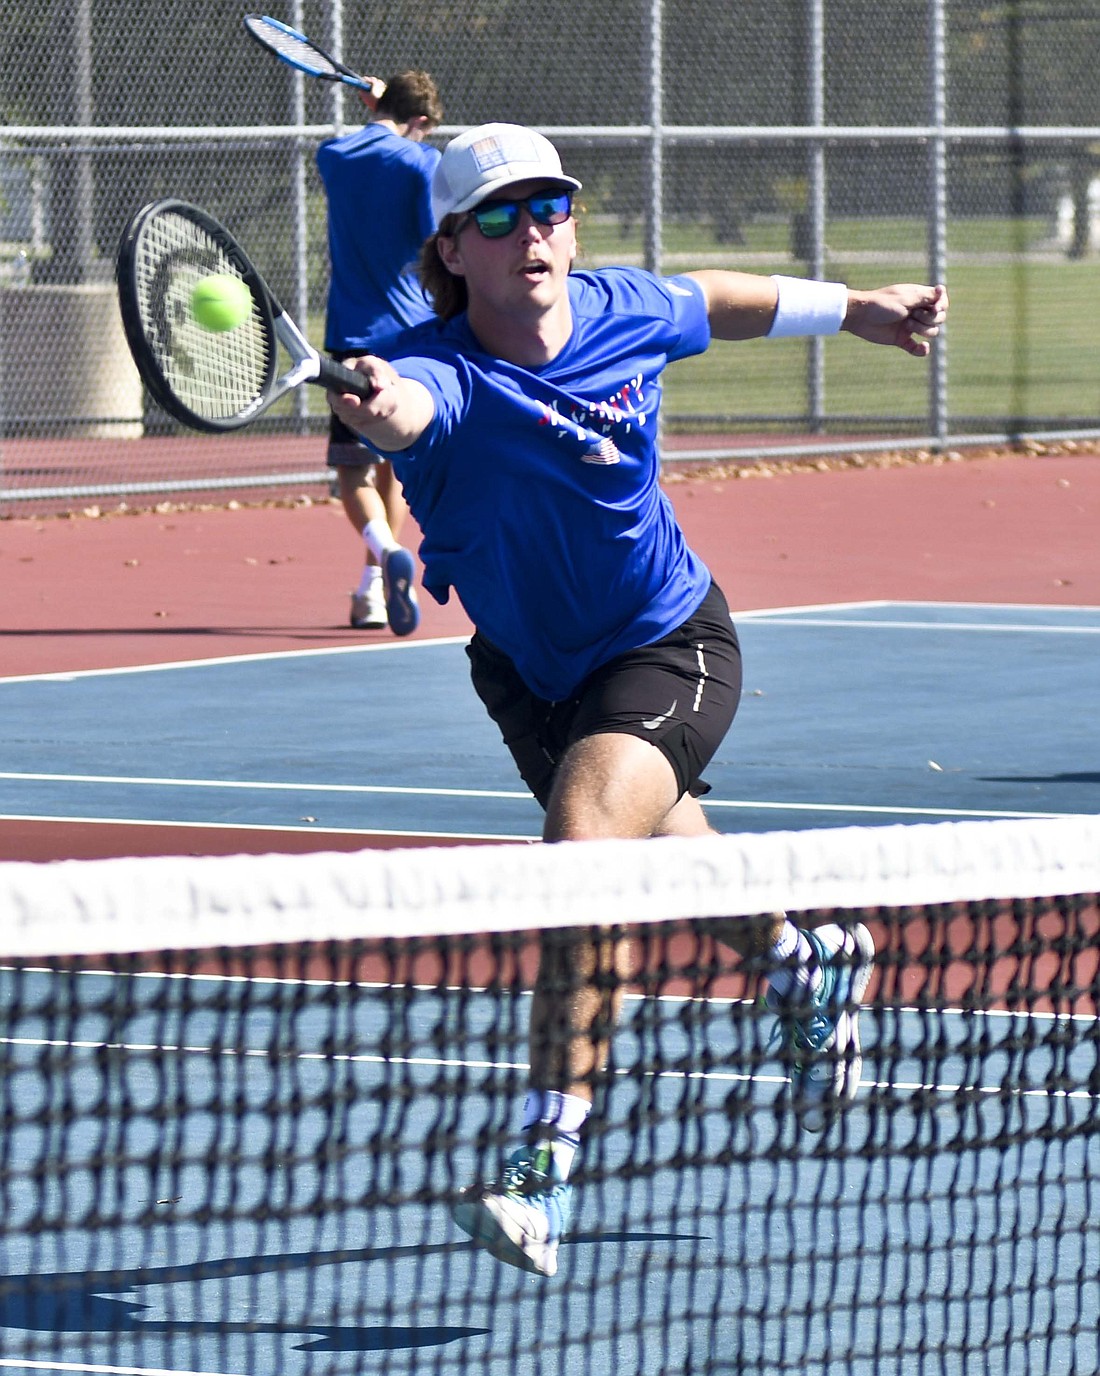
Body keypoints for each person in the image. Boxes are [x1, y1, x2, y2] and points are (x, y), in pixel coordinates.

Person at [328, 122, 949, 1277]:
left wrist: (855, 307)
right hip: (526, 669)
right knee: (663, 869)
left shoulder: (621, 309)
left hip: (666, 637)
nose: (536, 234)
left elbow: (716, 296)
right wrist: (380, 404)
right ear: (453, 249)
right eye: (502, 217)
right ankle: (800, 962)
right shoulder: (441, 373)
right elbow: (411, 406)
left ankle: (541, 1166)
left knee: (581, 852)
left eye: (551, 207)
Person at [316, 69, 444, 633]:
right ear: (419, 122)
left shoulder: (334, 156)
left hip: (351, 336)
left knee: (352, 473)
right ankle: (372, 590)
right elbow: (433, 243)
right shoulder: (422, 162)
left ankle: (380, 556)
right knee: (392, 460)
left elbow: (369, 140)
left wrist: (377, 112)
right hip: (411, 336)